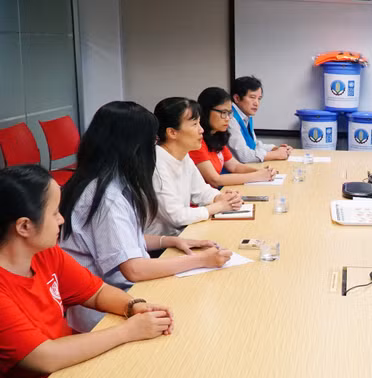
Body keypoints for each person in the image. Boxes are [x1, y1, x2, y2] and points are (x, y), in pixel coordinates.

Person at [0, 165, 174, 378]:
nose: (61, 220)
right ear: (24, 226)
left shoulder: (45, 253)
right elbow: (45, 357)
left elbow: (97, 292)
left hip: (69, 372)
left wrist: (134, 306)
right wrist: (127, 331)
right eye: (55, 212)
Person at [59, 101, 232, 331]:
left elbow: (121, 240)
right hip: (104, 316)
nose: (155, 148)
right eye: (152, 141)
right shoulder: (105, 196)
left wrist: (168, 241)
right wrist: (202, 260)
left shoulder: (110, 182)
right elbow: (134, 269)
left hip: (125, 297)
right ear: (132, 146)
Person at [147, 97, 243, 237]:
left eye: (199, 123)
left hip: (182, 234)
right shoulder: (156, 163)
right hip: (161, 247)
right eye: (194, 124)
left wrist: (221, 197)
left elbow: (201, 191)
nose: (202, 130)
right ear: (172, 132)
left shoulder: (184, 156)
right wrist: (219, 206)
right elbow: (177, 216)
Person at [191, 87, 278, 187]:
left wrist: (262, 172)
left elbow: (235, 166)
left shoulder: (217, 136)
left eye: (229, 113)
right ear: (206, 111)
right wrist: (257, 175)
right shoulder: (197, 142)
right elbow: (215, 180)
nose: (228, 118)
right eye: (223, 113)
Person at [229, 76, 293, 163]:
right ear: (237, 98)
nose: (256, 103)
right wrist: (276, 154)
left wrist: (276, 149)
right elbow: (244, 156)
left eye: (259, 99)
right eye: (252, 97)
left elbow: (254, 145)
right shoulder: (229, 117)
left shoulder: (246, 116)